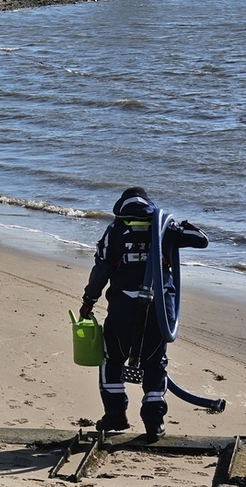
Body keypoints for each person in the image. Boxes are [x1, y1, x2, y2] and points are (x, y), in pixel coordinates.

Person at [79, 187, 208, 442]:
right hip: (159, 314)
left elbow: (101, 269)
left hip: (123, 311)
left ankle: (115, 414)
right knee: (155, 364)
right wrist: (177, 224)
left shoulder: (114, 232)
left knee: (112, 359)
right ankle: (154, 421)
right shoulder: (165, 230)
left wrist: (89, 300)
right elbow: (201, 239)